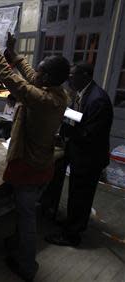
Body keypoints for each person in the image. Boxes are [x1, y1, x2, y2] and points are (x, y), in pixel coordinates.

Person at [0, 25, 70, 281]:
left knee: (26, 216)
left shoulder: (42, 99)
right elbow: (30, 74)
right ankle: (17, 247)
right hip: (41, 164)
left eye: (41, 70)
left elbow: (11, 78)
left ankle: (27, 266)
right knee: (23, 210)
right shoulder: (56, 92)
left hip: (29, 167)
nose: (36, 72)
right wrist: (13, 51)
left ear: (48, 78)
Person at [45, 63, 113, 247]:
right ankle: (72, 223)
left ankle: (72, 235)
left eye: (72, 75)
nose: (69, 79)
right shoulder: (83, 94)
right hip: (80, 152)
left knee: (81, 196)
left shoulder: (97, 99)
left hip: (89, 158)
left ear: (85, 75)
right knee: (75, 193)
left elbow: (88, 133)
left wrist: (64, 129)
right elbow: (79, 120)